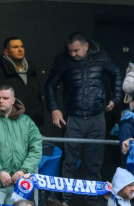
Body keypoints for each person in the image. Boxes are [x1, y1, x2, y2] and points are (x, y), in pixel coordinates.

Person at [44, 32, 120, 182]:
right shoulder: (63, 60)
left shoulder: (101, 56)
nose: (73, 54)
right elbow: (50, 85)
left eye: (76, 50)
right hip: (73, 117)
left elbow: (117, 74)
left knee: (94, 163)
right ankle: (65, 196)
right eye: (70, 51)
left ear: (86, 46)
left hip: (97, 116)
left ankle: (92, 197)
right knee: (69, 162)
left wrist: (115, 99)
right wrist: (54, 109)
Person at [0, 37, 45, 128]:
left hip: (33, 124)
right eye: (15, 47)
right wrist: (5, 118)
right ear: (7, 52)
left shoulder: (32, 71)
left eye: (21, 46)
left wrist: (39, 116)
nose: (20, 50)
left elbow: (37, 97)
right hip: (10, 125)